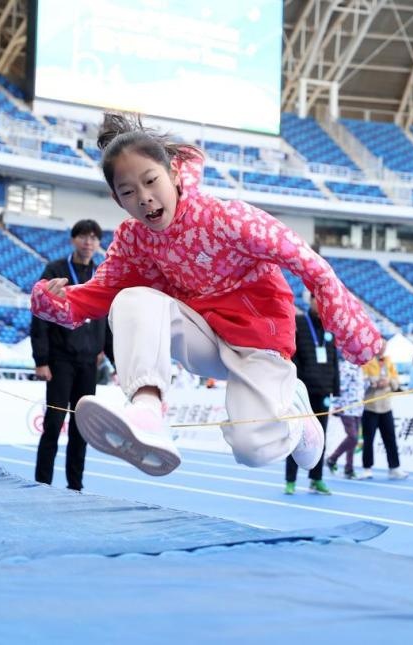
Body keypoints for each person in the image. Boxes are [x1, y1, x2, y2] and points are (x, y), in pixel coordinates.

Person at [30, 113, 383, 477]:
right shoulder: (133, 240)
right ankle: (147, 411)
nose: (145, 199)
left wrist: (354, 334)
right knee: (130, 299)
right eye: (129, 192)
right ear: (117, 199)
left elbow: (310, 264)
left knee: (252, 451)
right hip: (203, 336)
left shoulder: (229, 219)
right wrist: (54, 301)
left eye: (151, 181)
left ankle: (295, 413)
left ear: (174, 174)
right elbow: (102, 291)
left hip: (258, 341)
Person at [31, 219, 111, 492]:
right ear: (73, 240)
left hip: (89, 362)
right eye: (83, 237)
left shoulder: (102, 273)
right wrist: (41, 360)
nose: (89, 242)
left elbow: (107, 317)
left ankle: (75, 485)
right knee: (53, 424)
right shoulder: (55, 270)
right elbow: (40, 315)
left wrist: (113, 357)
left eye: (94, 238)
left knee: (82, 428)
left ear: (99, 244)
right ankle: (42, 483)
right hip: (59, 360)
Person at [284, 307, 338, 494]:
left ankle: (317, 478)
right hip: (302, 391)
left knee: (319, 437)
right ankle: (290, 480)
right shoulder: (299, 322)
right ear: (311, 300)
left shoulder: (329, 327)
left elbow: (334, 359)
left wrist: (335, 388)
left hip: (324, 392)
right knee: (296, 434)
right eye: (316, 299)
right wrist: (298, 380)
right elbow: (292, 354)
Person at [360, 346, 407, 480]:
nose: (382, 349)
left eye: (384, 347)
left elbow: (396, 383)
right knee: (368, 439)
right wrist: (374, 382)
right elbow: (362, 380)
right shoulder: (367, 361)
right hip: (371, 406)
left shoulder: (389, 362)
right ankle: (367, 468)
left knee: (390, 438)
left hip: (386, 407)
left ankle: (394, 467)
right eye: (379, 346)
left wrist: (389, 381)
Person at [327, 359, 364, 479]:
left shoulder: (359, 368)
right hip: (346, 407)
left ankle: (349, 468)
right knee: (352, 437)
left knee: (354, 439)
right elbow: (339, 387)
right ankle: (332, 458)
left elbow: (359, 387)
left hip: (358, 408)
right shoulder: (346, 367)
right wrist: (336, 404)